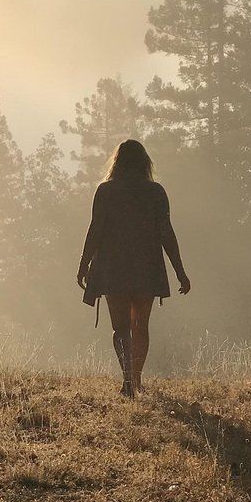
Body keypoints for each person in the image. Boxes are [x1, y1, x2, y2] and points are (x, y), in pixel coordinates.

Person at [77, 139, 190, 398]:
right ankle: (136, 379)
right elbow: (166, 233)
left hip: (113, 268)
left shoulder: (106, 191)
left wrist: (84, 264)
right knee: (140, 326)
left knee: (120, 328)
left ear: (117, 163)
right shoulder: (156, 192)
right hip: (146, 268)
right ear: (144, 162)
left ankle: (128, 379)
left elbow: (95, 230)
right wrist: (180, 272)